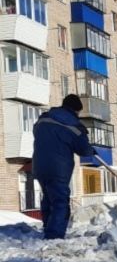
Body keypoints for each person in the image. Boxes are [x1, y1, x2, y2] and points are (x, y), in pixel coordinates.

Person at [32, 94, 95, 239]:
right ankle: (54, 236)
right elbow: (84, 150)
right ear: (76, 110)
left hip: (39, 166)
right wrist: (91, 149)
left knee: (48, 198)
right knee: (60, 202)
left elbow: (39, 134)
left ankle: (48, 229)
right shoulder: (73, 125)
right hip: (58, 168)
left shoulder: (44, 119)